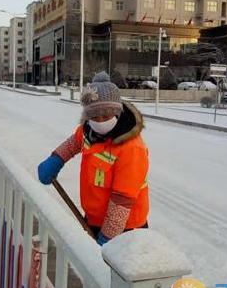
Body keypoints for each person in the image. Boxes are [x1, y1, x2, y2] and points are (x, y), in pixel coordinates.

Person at [37, 71, 149, 246]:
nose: (100, 120)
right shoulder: (89, 130)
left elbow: (122, 199)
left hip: (126, 230)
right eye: (94, 116)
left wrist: (108, 236)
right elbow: (74, 142)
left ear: (117, 113)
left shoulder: (131, 148)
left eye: (105, 115)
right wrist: (56, 159)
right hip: (94, 221)